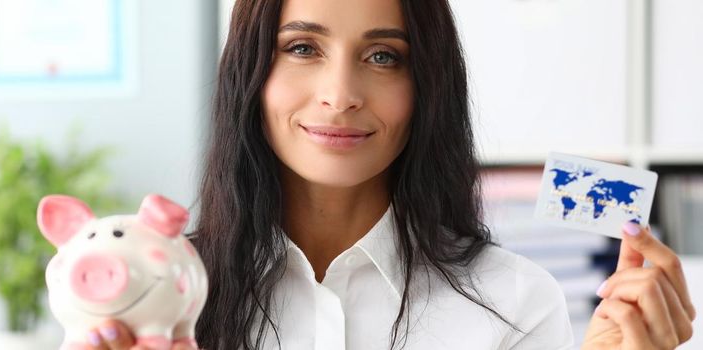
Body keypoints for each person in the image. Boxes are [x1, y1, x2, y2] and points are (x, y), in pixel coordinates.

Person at [81, 0, 696, 349]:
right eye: (302, 48)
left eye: (383, 57)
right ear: (250, 72)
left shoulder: (518, 301)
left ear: (427, 85)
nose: (341, 94)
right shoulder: (155, 293)